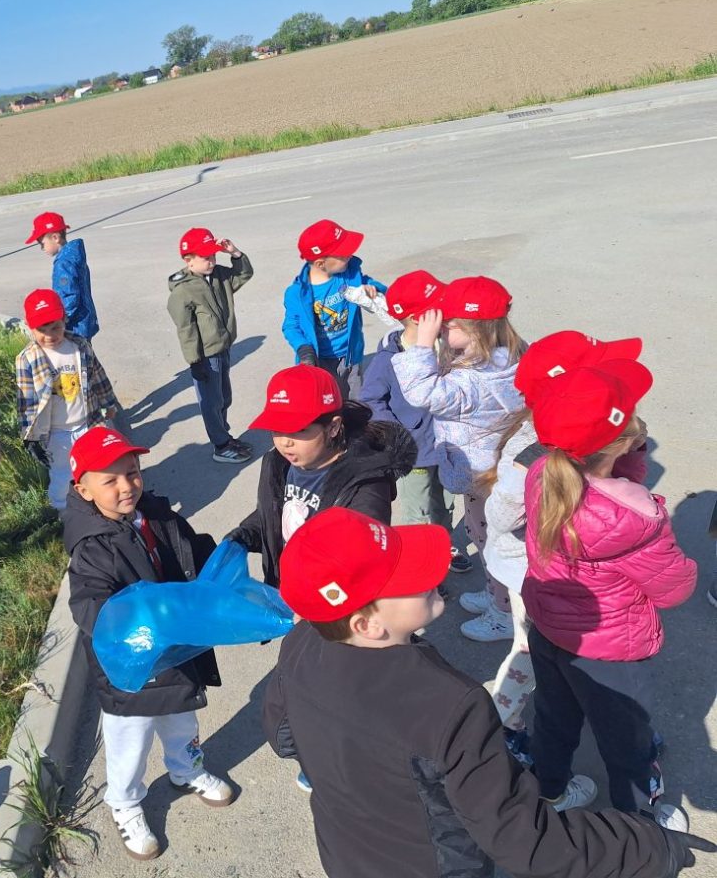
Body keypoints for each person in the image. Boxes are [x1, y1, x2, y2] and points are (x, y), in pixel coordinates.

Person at [261, 506, 705, 878]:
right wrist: (649, 845)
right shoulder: (449, 705)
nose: (432, 572)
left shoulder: (300, 643)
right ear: (367, 625)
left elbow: (283, 735)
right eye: (405, 577)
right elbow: (524, 842)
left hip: (347, 855)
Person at [524, 361, 696, 824]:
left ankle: (552, 789)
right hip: (610, 650)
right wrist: (690, 563)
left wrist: (625, 460)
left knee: (554, 716)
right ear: (621, 442)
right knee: (627, 740)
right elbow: (674, 589)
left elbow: (606, 482)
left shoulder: (543, 472)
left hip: (549, 627)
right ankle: (638, 823)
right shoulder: (638, 522)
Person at [64, 426, 234, 860]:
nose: (127, 486)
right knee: (130, 739)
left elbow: (190, 550)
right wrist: (141, 622)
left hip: (175, 652)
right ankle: (125, 800)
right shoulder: (91, 547)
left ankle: (186, 769)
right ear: (83, 490)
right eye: (111, 480)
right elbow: (90, 608)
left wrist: (216, 563)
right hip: (131, 670)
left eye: (133, 472)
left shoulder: (155, 512)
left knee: (182, 720)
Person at [479, 330, 648, 765]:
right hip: (530, 571)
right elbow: (499, 518)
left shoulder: (581, 439)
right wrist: (545, 511)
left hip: (556, 568)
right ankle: (500, 728)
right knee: (532, 656)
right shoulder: (530, 453)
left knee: (550, 655)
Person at [393, 275, 526, 642]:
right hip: (492, 469)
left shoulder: (472, 384)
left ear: (474, 330)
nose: (436, 331)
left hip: (478, 473)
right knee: (485, 534)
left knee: (490, 541)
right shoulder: (507, 356)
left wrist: (420, 346)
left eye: (445, 325)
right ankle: (494, 592)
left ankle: (503, 614)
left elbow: (421, 391)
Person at [228, 364, 415, 590]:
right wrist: (244, 535)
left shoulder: (365, 486)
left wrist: (316, 602)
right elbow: (274, 510)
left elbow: (362, 560)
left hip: (328, 604)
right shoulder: (280, 464)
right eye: (276, 429)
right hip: (285, 588)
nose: (284, 442)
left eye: (298, 430)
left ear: (333, 427)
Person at [360, 269, 471, 575]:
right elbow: (371, 400)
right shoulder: (388, 360)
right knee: (418, 510)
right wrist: (398, 435)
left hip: (448, 446)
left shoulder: (448, 348)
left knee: (445, 502)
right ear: (417, 319)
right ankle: (420, 564)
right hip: (414, 451)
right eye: (440, 311)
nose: (448, 316)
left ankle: (444, 544)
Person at [15, 289, 121, 511]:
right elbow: (26, 402)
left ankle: (100, 507)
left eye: (55, 326)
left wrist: (108, 402)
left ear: (64, 319)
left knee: (97, 468)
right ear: (29, 326)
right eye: (41, 329)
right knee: (63, 474)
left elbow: (97, 375)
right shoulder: (27, 358)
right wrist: (29, 436)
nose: (50, 335)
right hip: (56, 432)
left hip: (87, 423)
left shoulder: (79, 346)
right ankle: (64, 513)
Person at [165, 227, 254, 464]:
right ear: (188, 260)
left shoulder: (218, 276)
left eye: (214, 256)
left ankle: (224, 435)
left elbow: (243, 274)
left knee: (224, 397)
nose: (212, 261)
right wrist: (195, 362)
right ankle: (220, 446)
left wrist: (235, 253)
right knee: (211, 401)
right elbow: (186, 330)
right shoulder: (183, 291)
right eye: (206, 258)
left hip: (222, 347)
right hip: (205, 356)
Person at [281, 218, 387, 399]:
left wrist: (373, 288)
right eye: (343, 254)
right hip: (319, 360)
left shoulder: (349, 275)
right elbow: (291, 326)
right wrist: (303, 349)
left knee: (356, 400)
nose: (350, 256)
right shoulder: (297, 293)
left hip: (350, 355)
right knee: (327, 401)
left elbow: (371, 283)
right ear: (321, 263)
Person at [27, 211, 99, 341]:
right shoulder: (74, 256)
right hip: (84, 321)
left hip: (75, 326)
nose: (42, 248)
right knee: (85, 355)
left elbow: (69, 296)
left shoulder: (63, 264)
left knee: (79, 357)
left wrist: (57, 321)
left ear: (55, 238)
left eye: (42, 243)